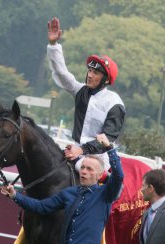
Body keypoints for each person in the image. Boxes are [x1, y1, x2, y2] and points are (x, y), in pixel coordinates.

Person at [1, 133, 124, 244]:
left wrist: (109, 147)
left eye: (89, 169)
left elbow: (118, 176)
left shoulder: (105, 194)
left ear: (99, 175)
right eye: (83, 167)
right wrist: (15, 195)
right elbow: (40, 207)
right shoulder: (69, 193)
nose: (84, 171)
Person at [46, 17, 125, 176]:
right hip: (75, 151)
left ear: (106, 80)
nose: (89, 75)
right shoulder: (79, 90)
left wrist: (81, 150)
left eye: (95, 73)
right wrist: (54, 45)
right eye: (89, 70)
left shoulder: (114, 103)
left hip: (99, 158)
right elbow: (61, 72)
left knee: (82, 168)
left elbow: (106, 141)